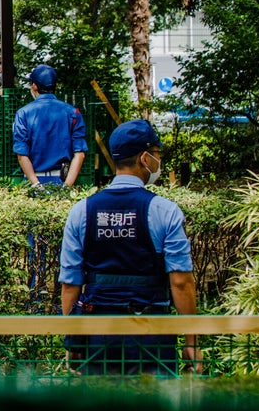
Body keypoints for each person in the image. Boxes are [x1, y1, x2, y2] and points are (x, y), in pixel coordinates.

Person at [58, 120, 199, 375]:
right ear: (145, 158)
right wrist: (192, 342)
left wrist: (73, 343)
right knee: (153, 408)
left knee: (103, 407)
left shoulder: (81, 212)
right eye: (157, 155)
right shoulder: (165, 212)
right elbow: (180, 282)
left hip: (99, 334)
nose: (158, 161)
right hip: (153, 334)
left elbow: (70, 284)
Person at [12, 64, 87, 188]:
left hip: (32, 179)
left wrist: (35, 184)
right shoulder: (73, 113)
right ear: (55, 86)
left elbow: (22, 155)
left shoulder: (23, 113)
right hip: (63, 178)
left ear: (34, 86)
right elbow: (80, 154)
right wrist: (67, 187)